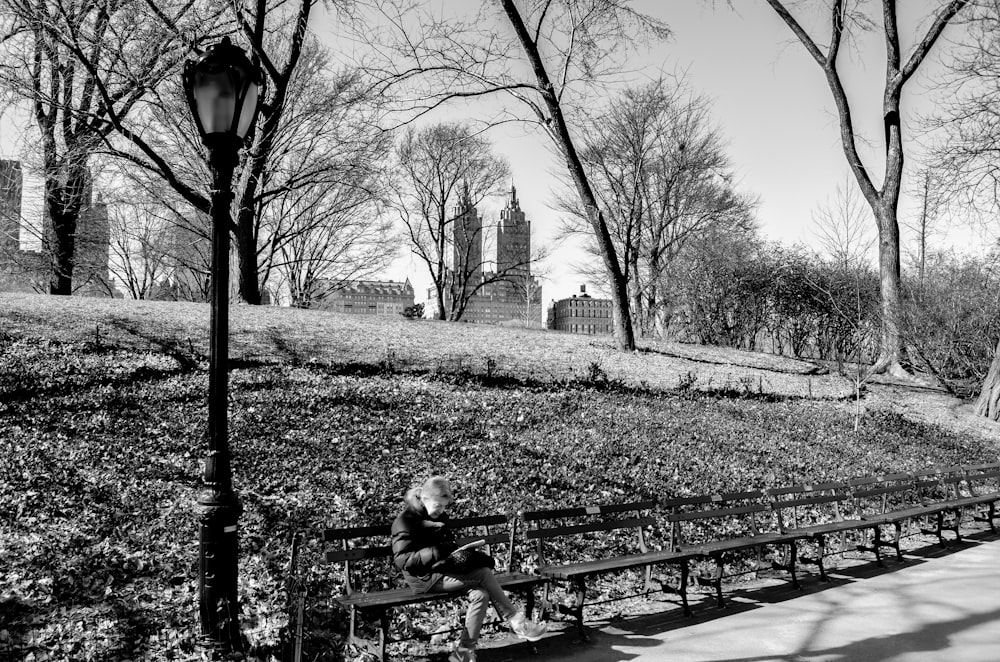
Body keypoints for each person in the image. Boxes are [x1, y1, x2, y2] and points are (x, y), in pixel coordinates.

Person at [391, 475, 547, 662]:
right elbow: (403, 561)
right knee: (483, 573)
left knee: (480, 595)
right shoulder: (404, 522)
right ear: (424, 499)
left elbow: (445, 544)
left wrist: (455, 550)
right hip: (424, 579)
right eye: (438, 506)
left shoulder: (436, 515)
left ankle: (463, 653)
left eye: (444, 506)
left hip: (442, 570)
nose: (441, 511)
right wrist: (437, 550)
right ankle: (517, 622)